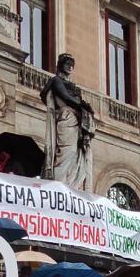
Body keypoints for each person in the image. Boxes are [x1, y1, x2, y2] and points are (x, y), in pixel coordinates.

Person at [40, 53, 95, 189]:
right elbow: (65, 97)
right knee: (66, 153)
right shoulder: (56, 81)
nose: (70, 67)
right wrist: (81, 104)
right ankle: (60, 187)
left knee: (76, 157)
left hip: (77, 121)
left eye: (72, 65)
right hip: (66, 119)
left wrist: (83, 107)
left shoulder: (74, 86)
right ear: (61, 65)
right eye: (67, 64)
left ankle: (71, 186)